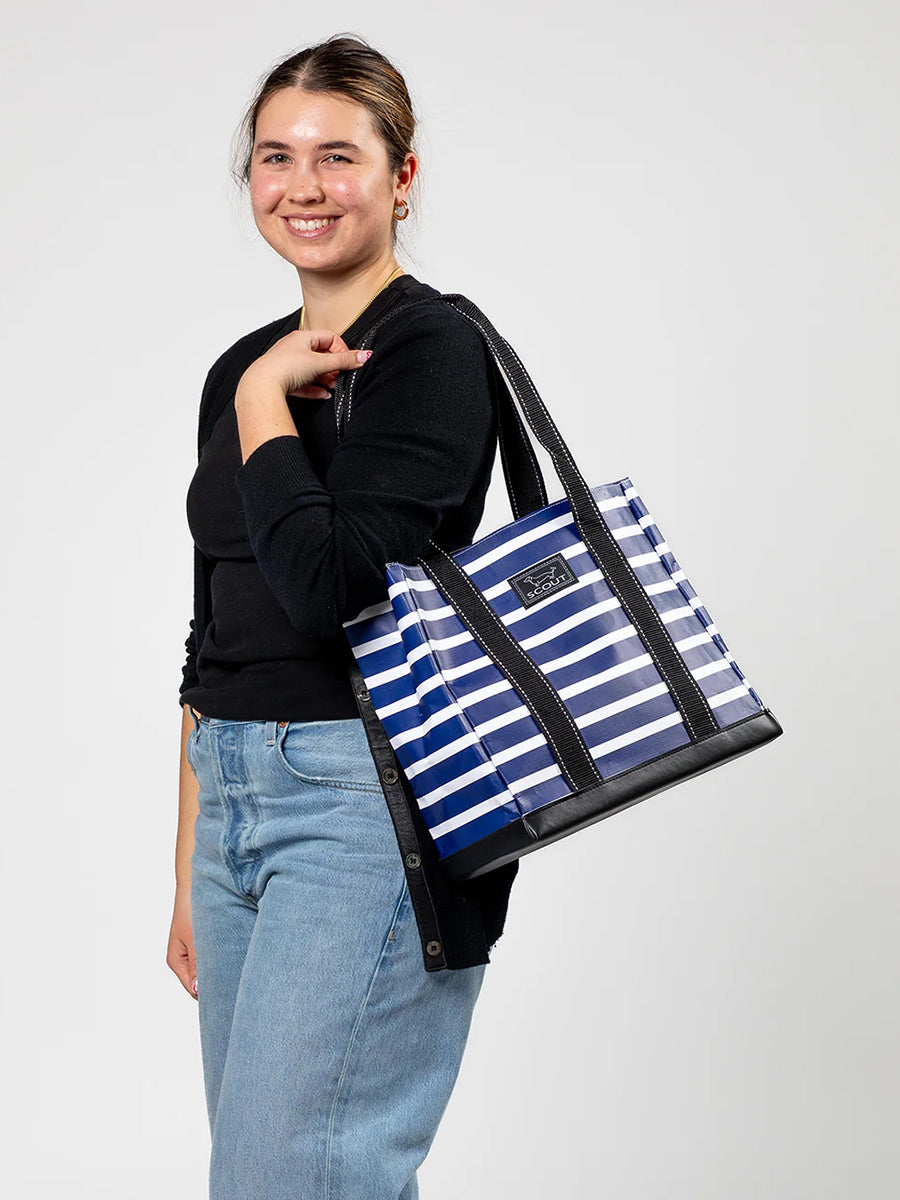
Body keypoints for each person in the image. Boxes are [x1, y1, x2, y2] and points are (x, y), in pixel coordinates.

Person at [165, 33, 520, 1200]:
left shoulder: (434, 349)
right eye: (275, 157)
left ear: (401, 177)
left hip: (363, 803)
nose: (303, 186)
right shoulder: (236, 370)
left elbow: (330, 589)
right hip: (238, 808)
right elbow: (212, 629)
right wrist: (191, 865)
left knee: (290, 1179)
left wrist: (273, 397)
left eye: (338, 155)